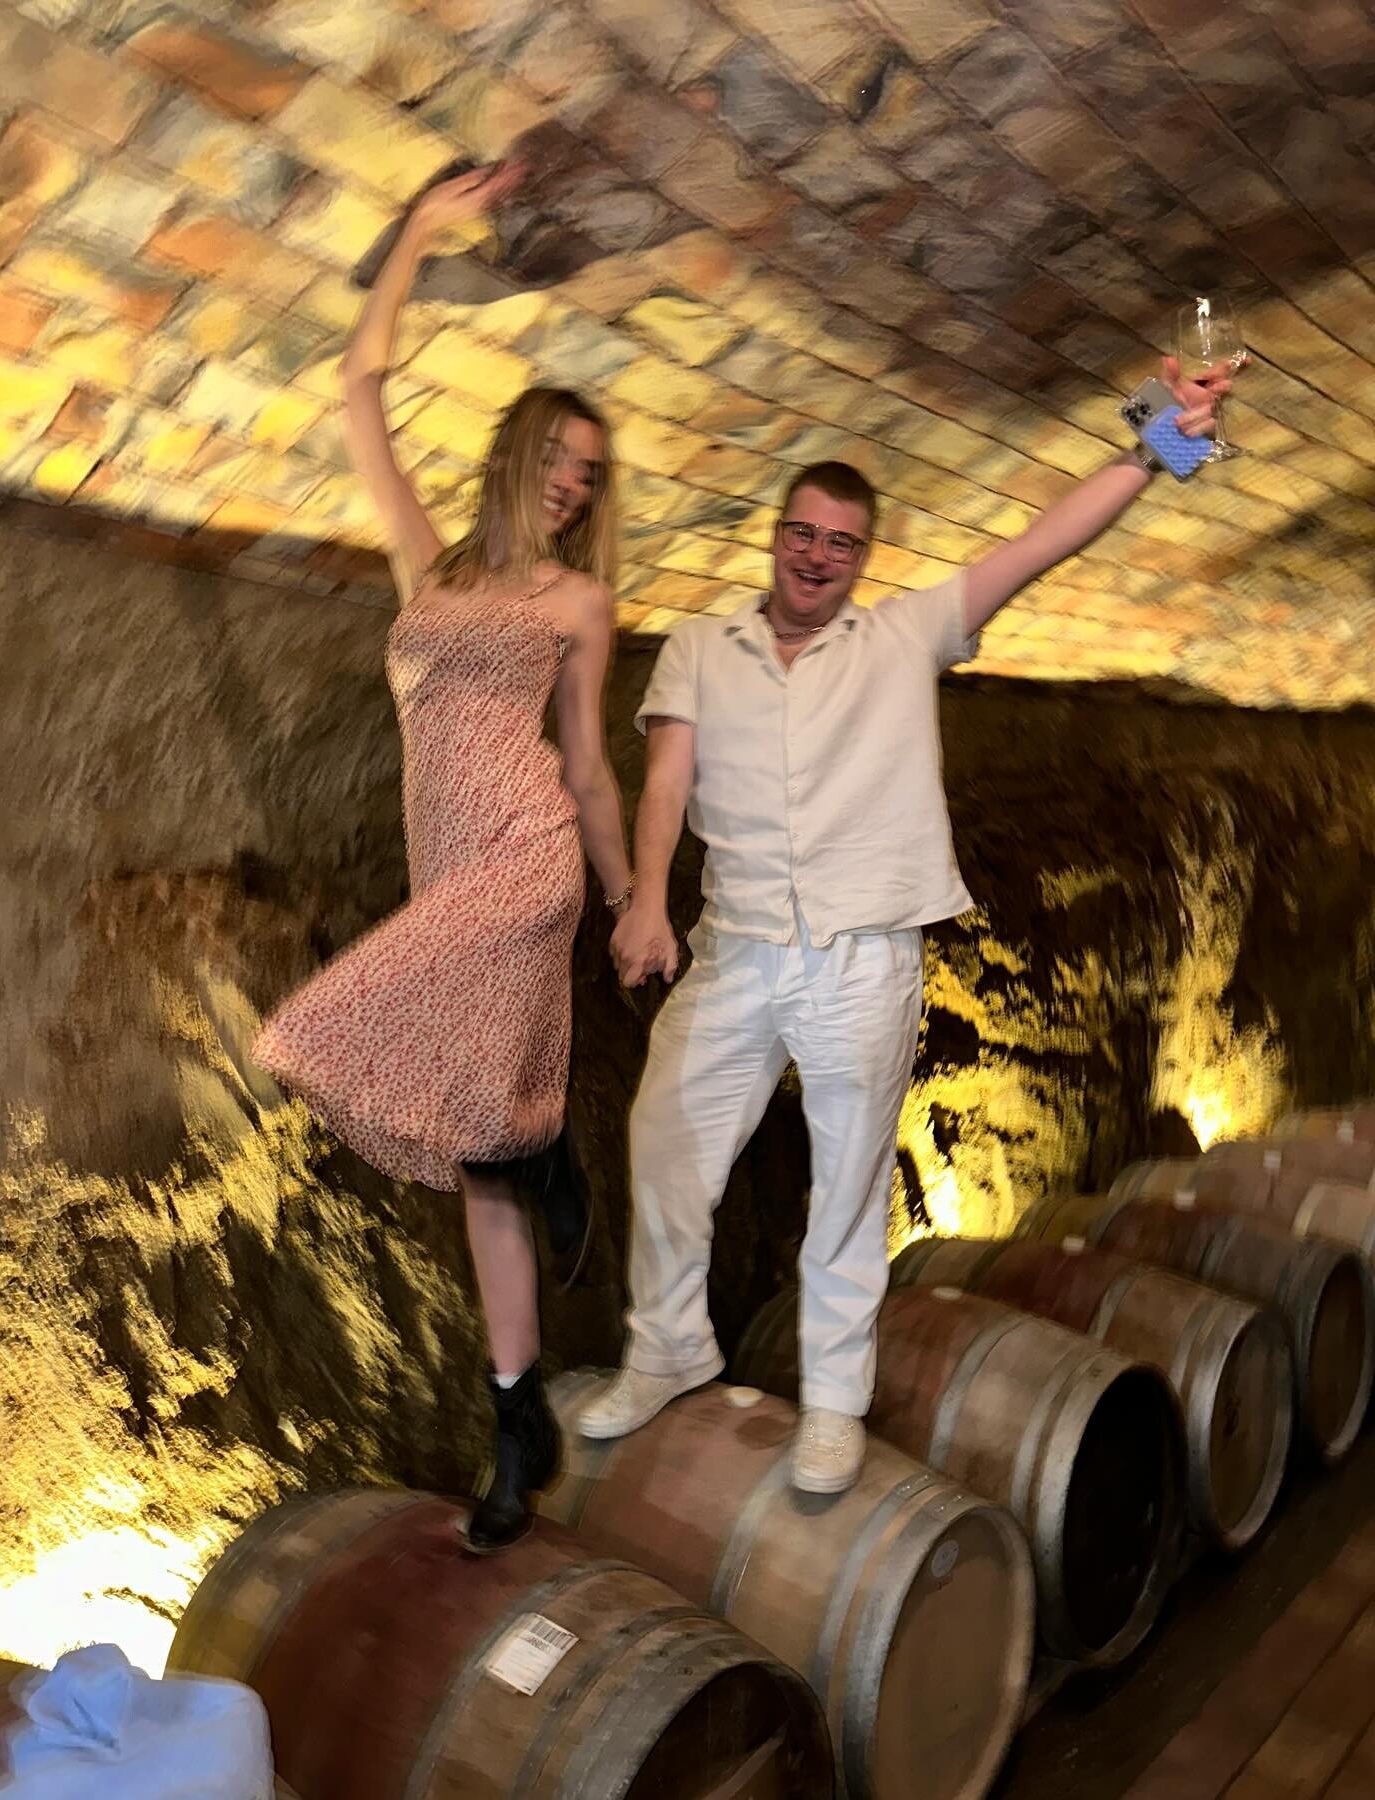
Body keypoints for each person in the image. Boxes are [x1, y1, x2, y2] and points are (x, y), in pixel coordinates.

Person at [579, 359, 1230, 1494]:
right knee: (666, 1145)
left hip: (862, 958)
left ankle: (834, 1401)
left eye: (841, 543)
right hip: (736, 948)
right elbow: (666, 782)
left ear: (862, 558)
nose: (816, 556)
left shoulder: (902, 636)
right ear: (774, 536)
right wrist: (644, 897)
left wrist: (1162, 440)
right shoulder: (699, 649)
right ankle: (668, 1347)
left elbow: (1044, 542)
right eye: (802, 533)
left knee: (846, 1186)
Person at [253, 164, 633, 1552]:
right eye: (560, 458)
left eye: (590, 475)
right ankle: (516, 1421)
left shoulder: (579, 600)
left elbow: (585, 763)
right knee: (483, 1171)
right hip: (447, 872)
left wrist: (632, 896)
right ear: (517, 453)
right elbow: (359, 388)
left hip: (527, 865)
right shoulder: (431, 568)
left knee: (313, 1026)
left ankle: (546, 1146)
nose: (574, 483)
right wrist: (418, 227)